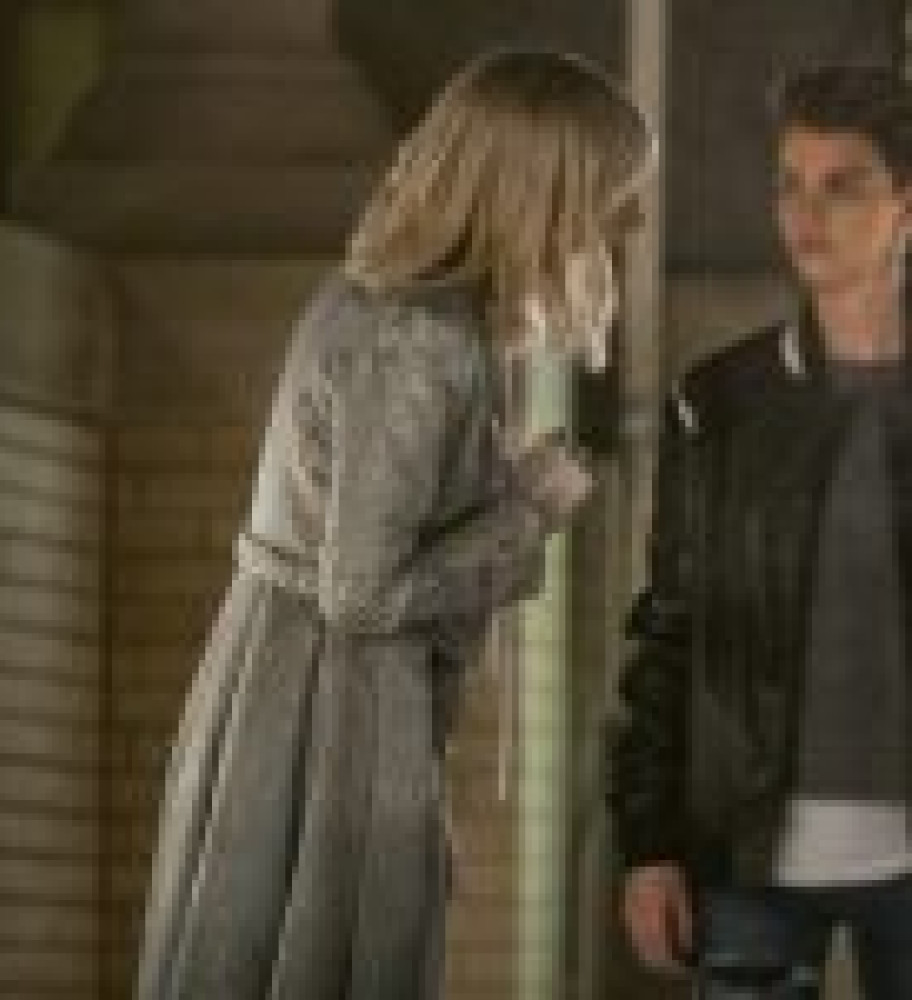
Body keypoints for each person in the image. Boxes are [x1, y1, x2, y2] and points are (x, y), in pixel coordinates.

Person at [135, 48, 655, 1000]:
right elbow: (361, 593)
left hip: (307, 707)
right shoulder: (420, 341)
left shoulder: (395, 316)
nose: (628, 222)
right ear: (539, 194)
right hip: (328, 722)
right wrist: (527, 510)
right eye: (610, 195)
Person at [608, 64, 912, 999]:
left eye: (842, 185)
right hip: (747, 860)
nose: (805, 214)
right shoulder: (718, 404)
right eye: (789, 184)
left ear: (905, 202)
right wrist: (649, 845)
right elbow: (669, 628)